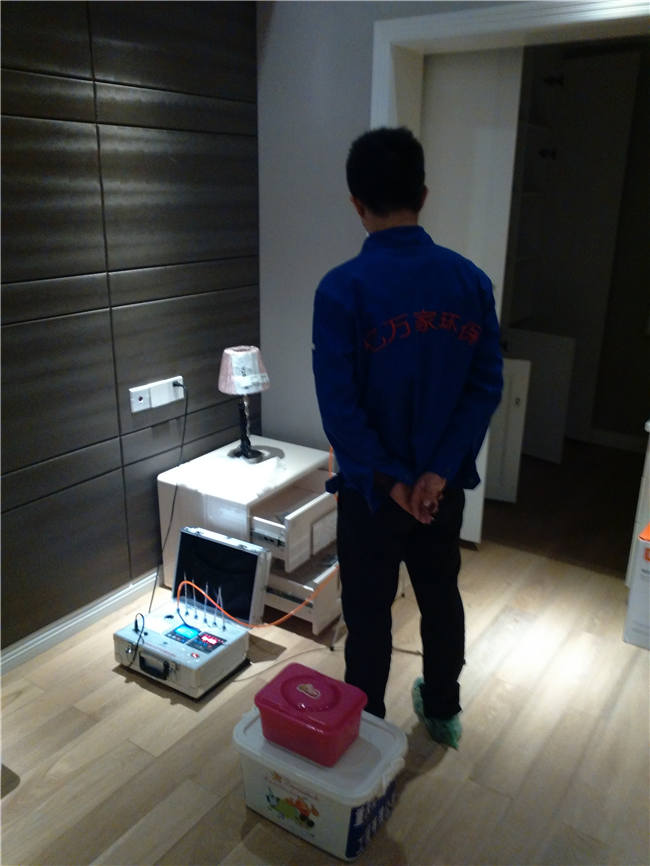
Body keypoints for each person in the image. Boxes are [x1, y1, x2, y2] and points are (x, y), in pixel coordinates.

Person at [311, 127, 503, 748]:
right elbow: (484, 388)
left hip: (371, 494)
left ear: (356, 203)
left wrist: (392, 482)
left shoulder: (340, 290)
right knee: (440, 595)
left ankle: (366, 730)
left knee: (367, 614)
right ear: (422, 194)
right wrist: (436, 474)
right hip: (439, 492)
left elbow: (340, 410)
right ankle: (442, 711)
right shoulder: (470, 282)